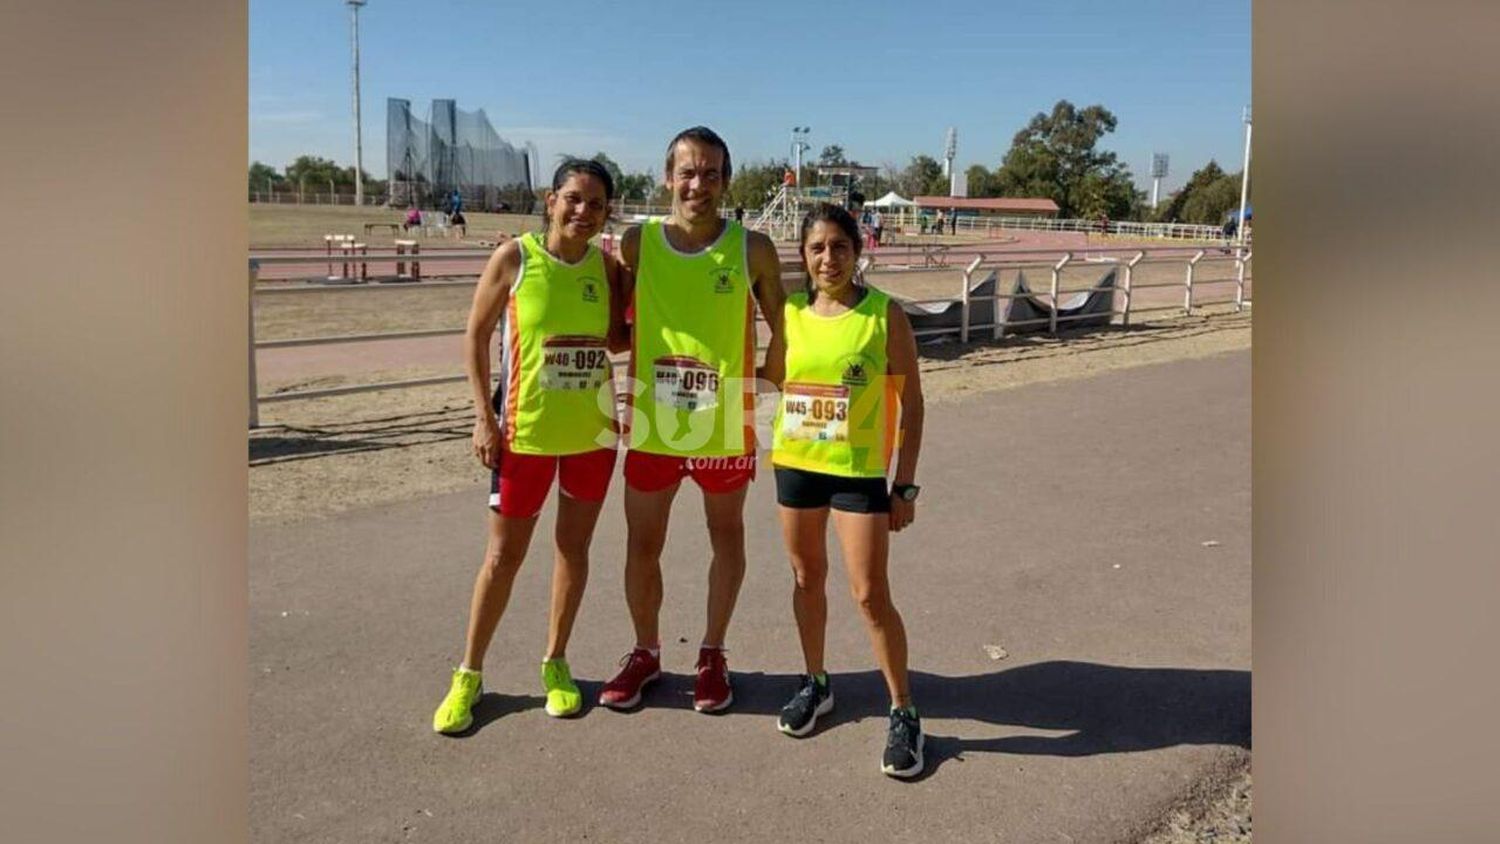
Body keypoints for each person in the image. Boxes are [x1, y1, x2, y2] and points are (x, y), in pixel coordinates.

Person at [431, 159, 629, 733]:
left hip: (592, 435)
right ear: (551, 199)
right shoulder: (516, 258)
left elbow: (616, 338)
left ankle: (556, 662)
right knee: (503, 558)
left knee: (574, 550)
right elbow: (474, 336)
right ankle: (468, 674)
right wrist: (482, 419)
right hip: (525, 434)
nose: (583, 212)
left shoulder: (606, 267)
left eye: (596, 204)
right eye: (573, 199)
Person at [601, 126, 786, 713]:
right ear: (666, 177)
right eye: (687, 171)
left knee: (725, 535)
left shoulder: (752, 249)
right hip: (655, 422)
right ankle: (645, 652)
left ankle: (712, 653)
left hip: (723, 423)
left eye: (710, 173)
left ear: (725, 181)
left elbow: (783, 328)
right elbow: (613, 322)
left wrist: (761, 386)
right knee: (642, 542)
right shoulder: (637, 244)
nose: (697, 184)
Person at [767, 202, 926, 778]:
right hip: (797, 463)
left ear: (857, 252)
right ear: (803, 257)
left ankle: (904, 709)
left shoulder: (884, 315)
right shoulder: (790, 310)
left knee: (868, 593)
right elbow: (773, 375)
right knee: (806, 578)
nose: (828, 258)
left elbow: (913, 403)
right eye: (816, 248)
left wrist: (903, 483)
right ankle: (816, 681)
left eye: (839, 246)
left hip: (859, 471)